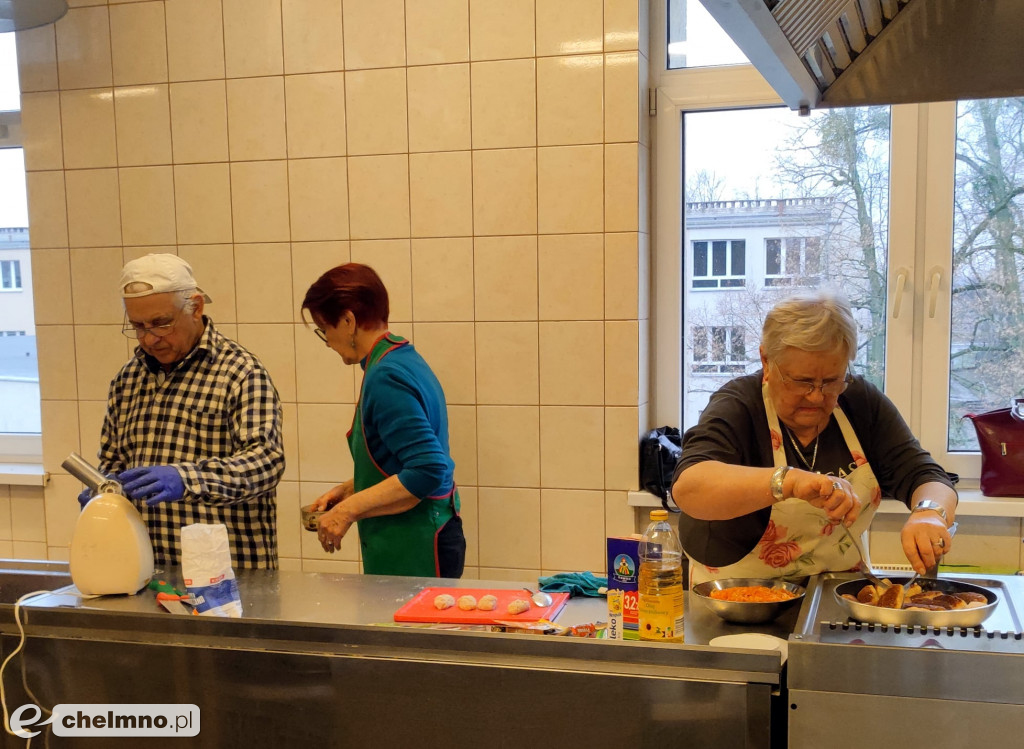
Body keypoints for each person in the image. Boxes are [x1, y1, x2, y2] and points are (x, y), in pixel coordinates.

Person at [671, 291, 957, 585]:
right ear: (767, 362)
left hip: (838, 595)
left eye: (832, 381)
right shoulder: (739, 405)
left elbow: (926, 475)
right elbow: (689, 488)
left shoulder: (860, 402)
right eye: (802, 381)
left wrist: (930, 513)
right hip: (739, 599)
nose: (817, 395)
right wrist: (789, 482)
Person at [80, 253, 285, 569]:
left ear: (196, 307)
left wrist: (186, 478)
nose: (150, 338)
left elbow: (266, 463)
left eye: (161, 323)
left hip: (227, 579)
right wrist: (101, 490)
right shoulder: (128, 378)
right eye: (138, 326)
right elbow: (113, 461)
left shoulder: (240, 372)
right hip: (146, 570)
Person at [302, 262, 466, 578]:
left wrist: (346, 512)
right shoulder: (401, 356)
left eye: (325, 329)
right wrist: (354, 488)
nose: (327, 342)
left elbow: (428, 469)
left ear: (348, 321)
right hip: (428, 533)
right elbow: (402, 459)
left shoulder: (386, 376)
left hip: (417, 547)